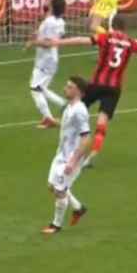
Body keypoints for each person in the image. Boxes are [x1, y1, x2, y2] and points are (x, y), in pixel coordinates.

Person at [52, 15, 137, 165]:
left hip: (97, 84)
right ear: (125, 28)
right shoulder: (131, 43)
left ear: (111, 25)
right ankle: (92, 155)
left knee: (75, 107)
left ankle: (61, 124)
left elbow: (81, 40)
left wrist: (59, 42)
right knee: (102, 122)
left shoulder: (105, 37)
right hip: (114, 88)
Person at [41, 76, 92, 235]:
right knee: (52, 186)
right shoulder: (70, 107)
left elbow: (86, 137)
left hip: (71, 158)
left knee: (60, 191)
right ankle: (78, 208)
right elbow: (68, 126)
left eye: (69, 87)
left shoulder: (80, 111)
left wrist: (73, 161)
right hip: (60, 154)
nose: (65, 88)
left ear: (78, 91)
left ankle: (56, 226)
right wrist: (54, 123)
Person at [24, 0, 68, 129]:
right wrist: (37, 35)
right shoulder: (59, 21)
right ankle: (63, 105)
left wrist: (33, 42)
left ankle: (49, 118)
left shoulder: (49, 22)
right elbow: (53, 37)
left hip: (46, 60)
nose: (45, 0)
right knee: (41, 88)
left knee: (35, 89)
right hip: (51, 59)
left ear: (52, 5)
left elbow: (48, 43)